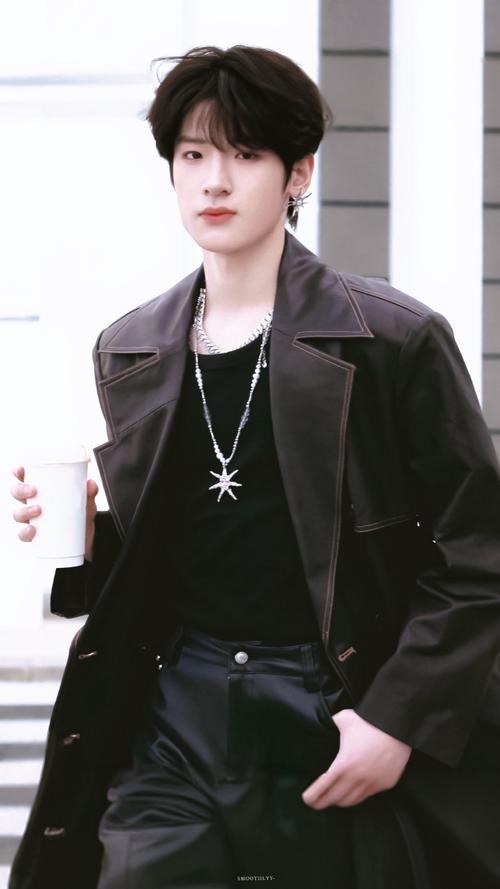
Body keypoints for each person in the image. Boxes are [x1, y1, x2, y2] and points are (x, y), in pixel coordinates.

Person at [9, 44, 500, 889]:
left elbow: (478, 546)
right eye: (193, 155)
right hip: (178, 709)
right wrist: (93, 537)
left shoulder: (392, 338)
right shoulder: (131, 347)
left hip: (332, 699)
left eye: (244, 154)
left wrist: (397, 718)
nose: (215, 181)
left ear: (298, 172)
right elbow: (196, 544)